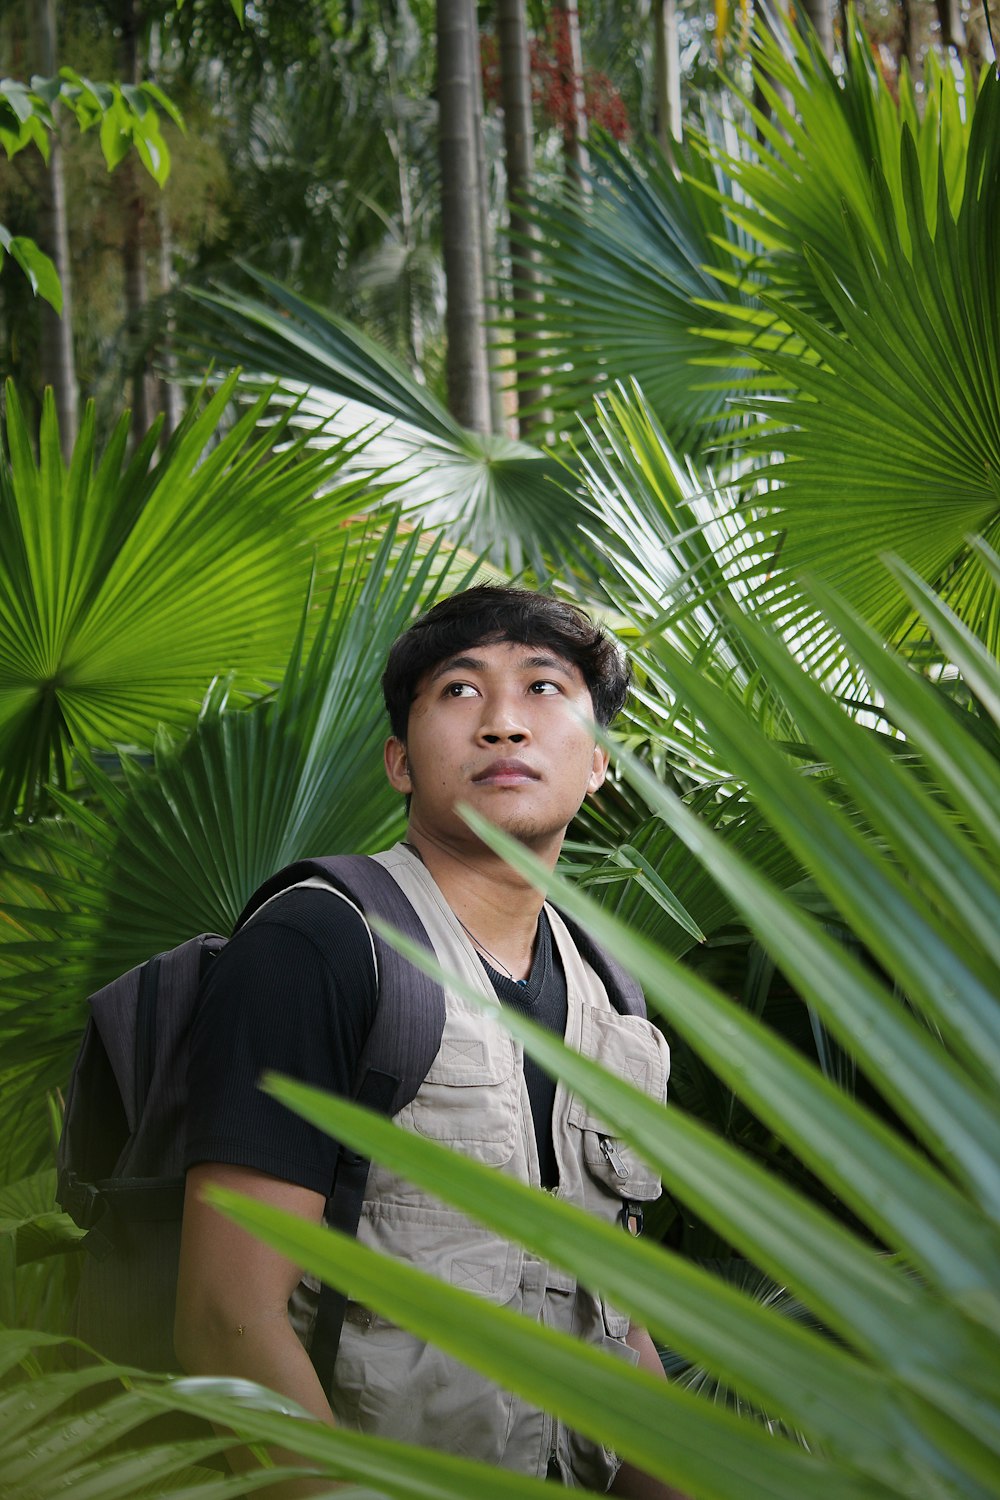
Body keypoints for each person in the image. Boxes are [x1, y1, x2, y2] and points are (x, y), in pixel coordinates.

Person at [175, 586, 687, 1499]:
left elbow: (617, 1319)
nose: (502, 724)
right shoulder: (319, 946)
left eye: (543, 689)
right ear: (399, 761)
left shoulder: (611, 996)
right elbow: (227, 1320)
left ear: (601, 762)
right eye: (458, 691)